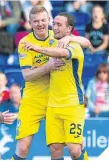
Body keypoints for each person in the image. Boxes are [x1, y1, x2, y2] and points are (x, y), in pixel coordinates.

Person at [11, 6, 90, 160]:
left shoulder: (59, 35)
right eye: (35, 21)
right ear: (30, 23)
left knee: (75, 145)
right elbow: (27, 75)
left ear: (48, 20)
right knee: (23, 148)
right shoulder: (25, 43)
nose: (40, 24)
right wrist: (48, 66)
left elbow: (86, 42)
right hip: (33, 99)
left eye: (43, 20)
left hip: (55, 98)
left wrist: (70, 38)